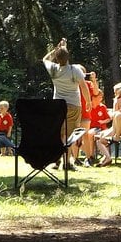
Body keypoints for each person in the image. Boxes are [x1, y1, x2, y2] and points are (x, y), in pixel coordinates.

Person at [42, 38, 89, 170]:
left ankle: (56, 160)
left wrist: (56, 50)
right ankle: (67, 162)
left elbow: (45, 59)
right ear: (68, 56)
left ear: (56, 58)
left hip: (58, 106)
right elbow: (84, 87)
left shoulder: (53, 69)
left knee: (59, 134)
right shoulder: (75, 70)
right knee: (70, 135)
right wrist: (88, 102)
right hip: (74, 105)